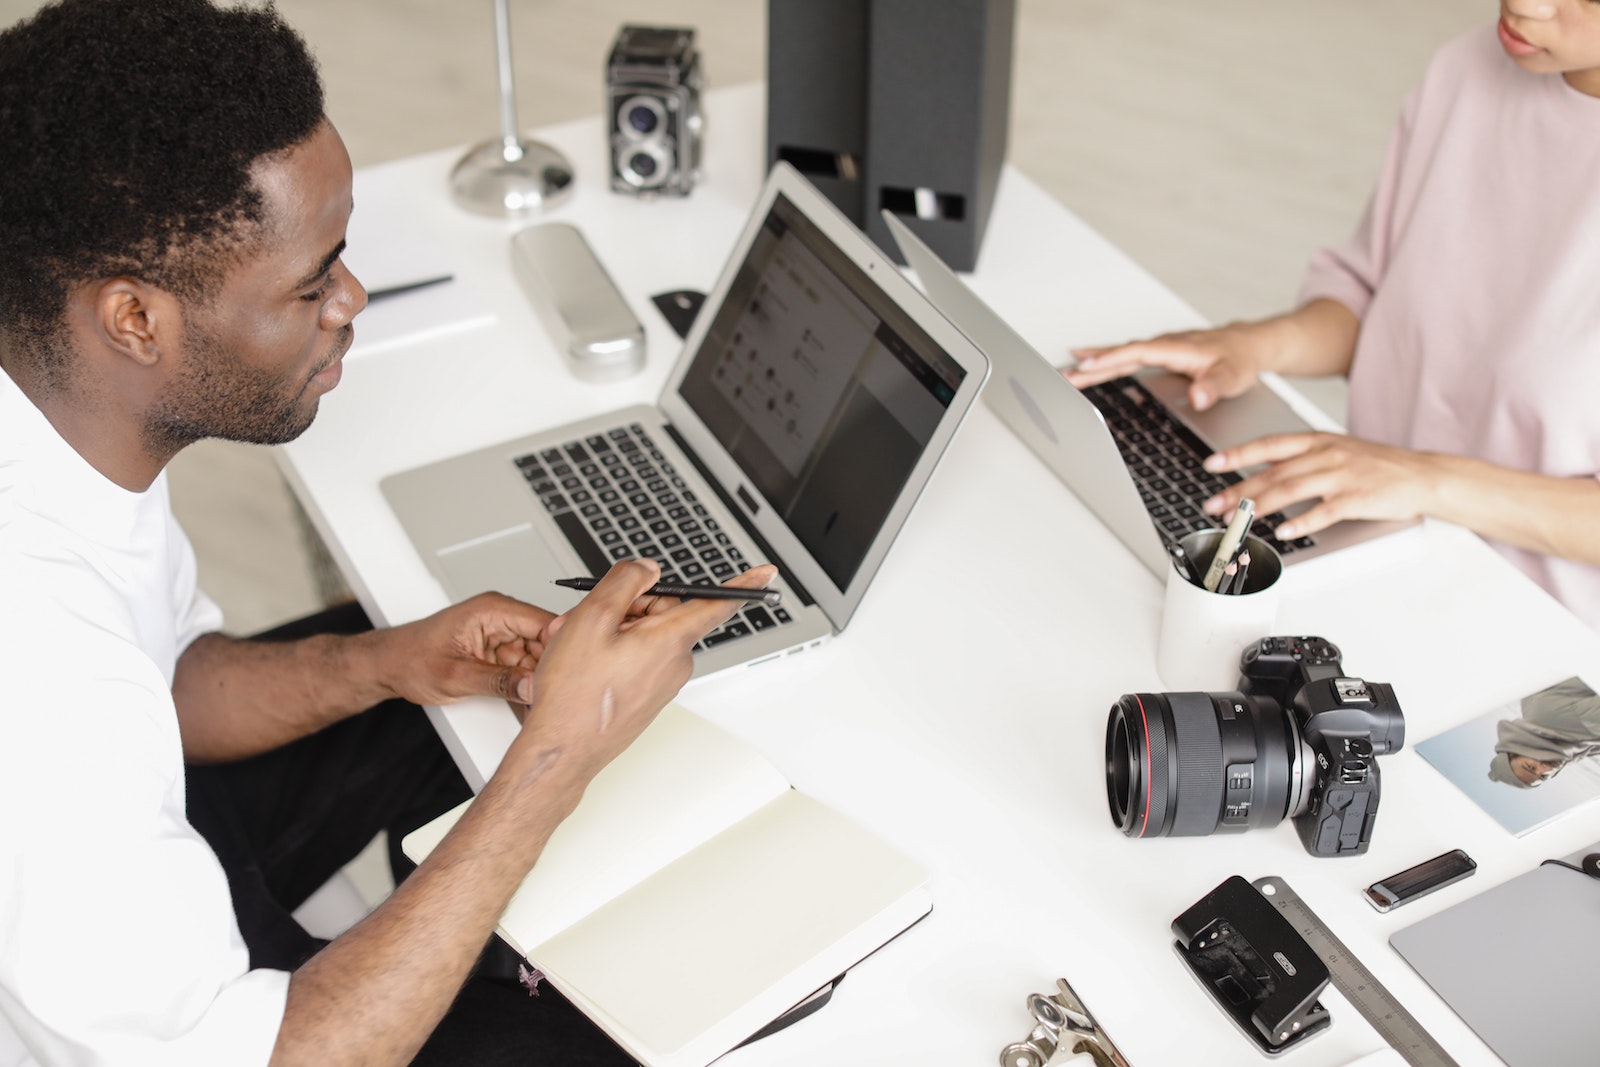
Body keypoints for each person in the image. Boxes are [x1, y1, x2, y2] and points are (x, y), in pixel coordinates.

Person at [0, 2, 775, 1065]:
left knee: (419, 699)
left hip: (146, 847)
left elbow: (167, 680)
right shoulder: (42, 675)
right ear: (136, 319)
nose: (351, 299)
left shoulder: (60, 423)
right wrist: (558, 756)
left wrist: (388, 661)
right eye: (312, 283)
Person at [1065, 1, 1600, 631]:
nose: (1525, 3)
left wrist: (1426, 479)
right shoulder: (1469, 66)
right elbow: (1377, 294)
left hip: (1542, 643)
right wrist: (1255, 345)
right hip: (1365, 546)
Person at [1488, 676, 1600, 787]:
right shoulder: (1565, 748)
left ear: (1515, 751)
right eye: (1543, 776)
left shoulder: (1558, 719)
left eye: (1530, 767)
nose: (1546, 768)